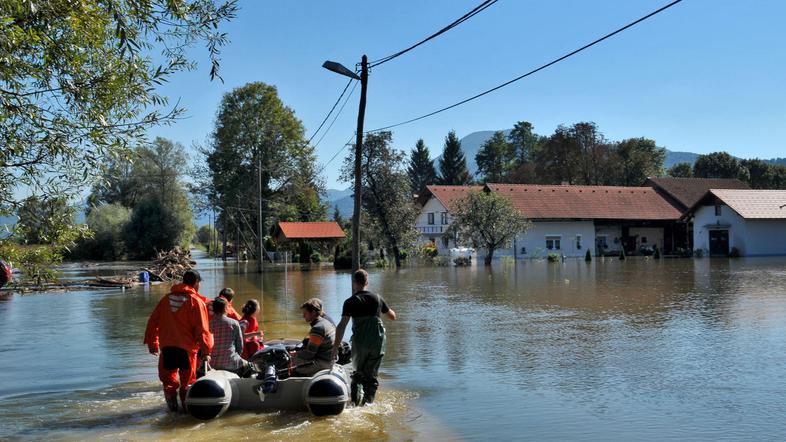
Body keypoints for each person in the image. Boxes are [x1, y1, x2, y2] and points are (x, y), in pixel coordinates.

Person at [144, 270, 212, 412]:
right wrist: (206, 351)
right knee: (187, 383)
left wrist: (153, 344)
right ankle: (186, 414)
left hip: (167, 348)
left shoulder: (165, 299)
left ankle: (172, 411)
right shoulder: (196, 302)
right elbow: (203, 329)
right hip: (187, 350)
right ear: (196, 283)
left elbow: (152, 323)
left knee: (168, 383)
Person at [332, 269, 396, 406]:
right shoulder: (377, 298)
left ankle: (356, 405)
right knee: (371, 377)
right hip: (377, 343)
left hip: (360, 344)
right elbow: (392, 317)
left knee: (358, 374)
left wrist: (335, 348)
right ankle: (368, 403)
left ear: (354, 283)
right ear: (367, 282)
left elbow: (342, 326)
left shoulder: (350, 302)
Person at [291, 298, 336, 377]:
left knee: (288, 362)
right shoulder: (325, 322)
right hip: (329, 359)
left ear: (313, 313)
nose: (303, 316)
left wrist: (294, 354)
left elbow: (309, 354)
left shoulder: (318, 328)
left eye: (305, 313)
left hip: (323, 363)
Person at [208, 297, 252, 376]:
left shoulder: (208, 324)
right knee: (250, 366)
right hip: (231, 363)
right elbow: (240, 346)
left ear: (214, 310)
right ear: (225, 309)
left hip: (213, 364)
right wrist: (236, 356)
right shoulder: (234, 323)